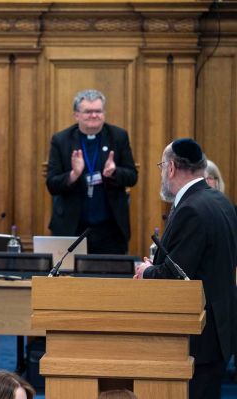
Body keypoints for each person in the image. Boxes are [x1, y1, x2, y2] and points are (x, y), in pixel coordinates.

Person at [134, 138, 237, 399]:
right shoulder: (220, 201)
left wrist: (147, 271)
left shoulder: (190, 208)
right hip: (219, 331)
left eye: (161, 167)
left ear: (170, 168)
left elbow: (175, 277)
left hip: (197, 337)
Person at [46, 89, 138, 254]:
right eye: (88, 111)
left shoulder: (118, 136)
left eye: (98, 111)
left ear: (104, 113)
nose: (94, 115)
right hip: (72, 227)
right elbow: (52, 184)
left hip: (110, 229)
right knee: (68, 279)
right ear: (77, 115)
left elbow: (132, 176)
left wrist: (115, 172)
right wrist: (73, 174)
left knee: (110, 279)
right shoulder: (61, 140)